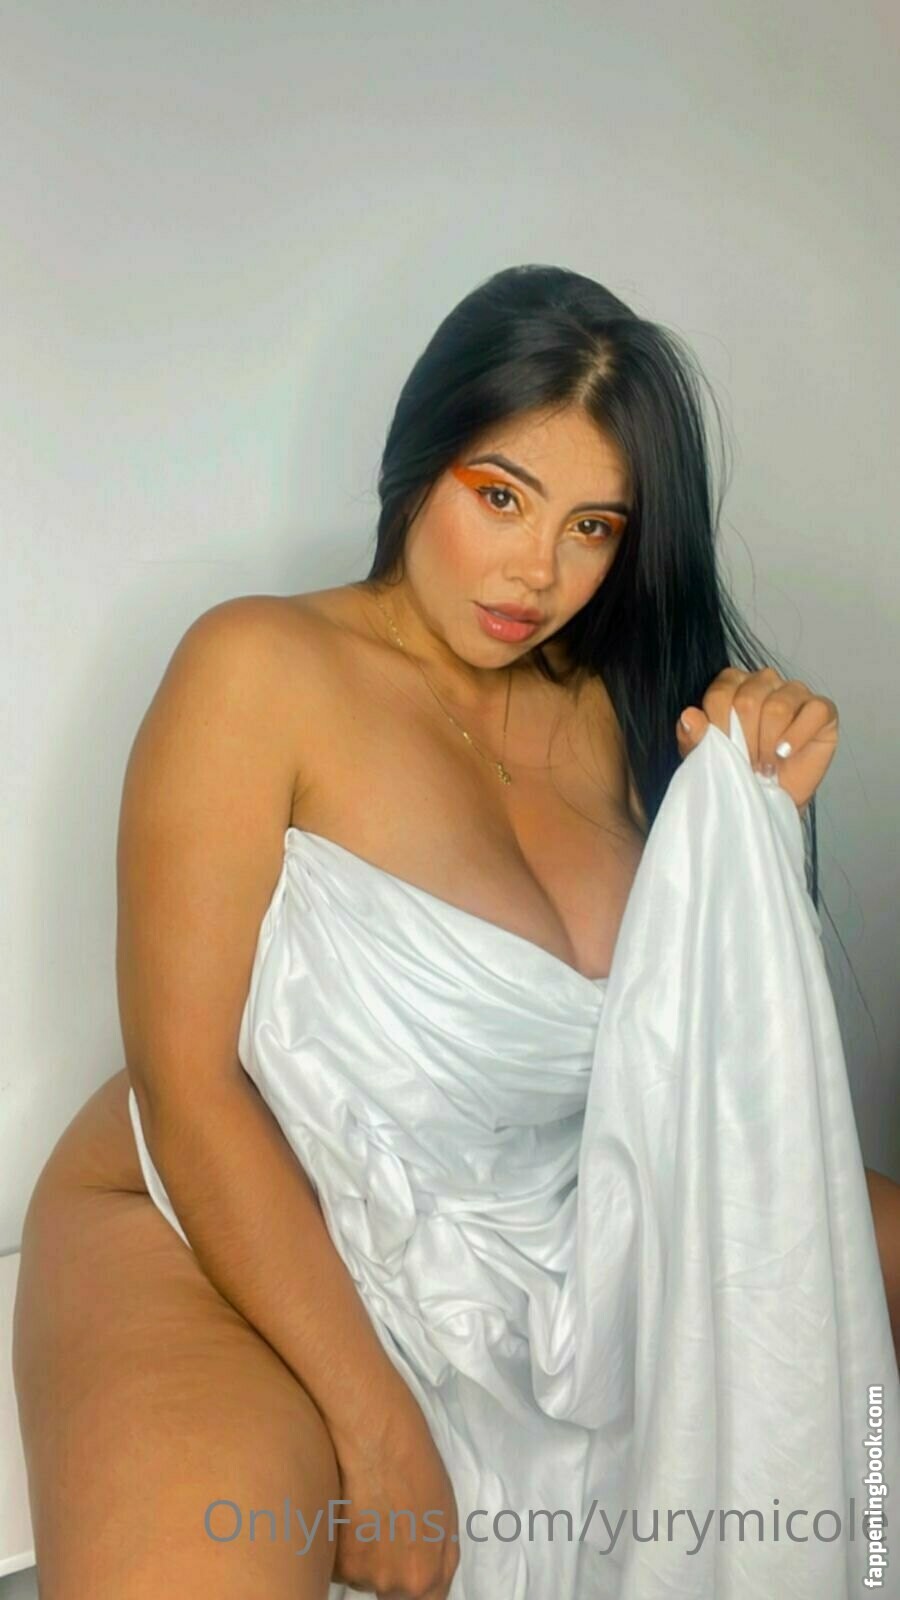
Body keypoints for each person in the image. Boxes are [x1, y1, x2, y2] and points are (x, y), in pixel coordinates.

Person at [12, 263, 900, 1600]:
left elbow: (705, 1073)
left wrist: (758, 823)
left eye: (593, 526)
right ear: (418, 462)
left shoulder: (639, 712)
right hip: (216, 1214)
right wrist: (378, 1427)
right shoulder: (257, 666)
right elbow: (186, 1085)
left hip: (542, 1215)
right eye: (501, 497)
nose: (538, 572)